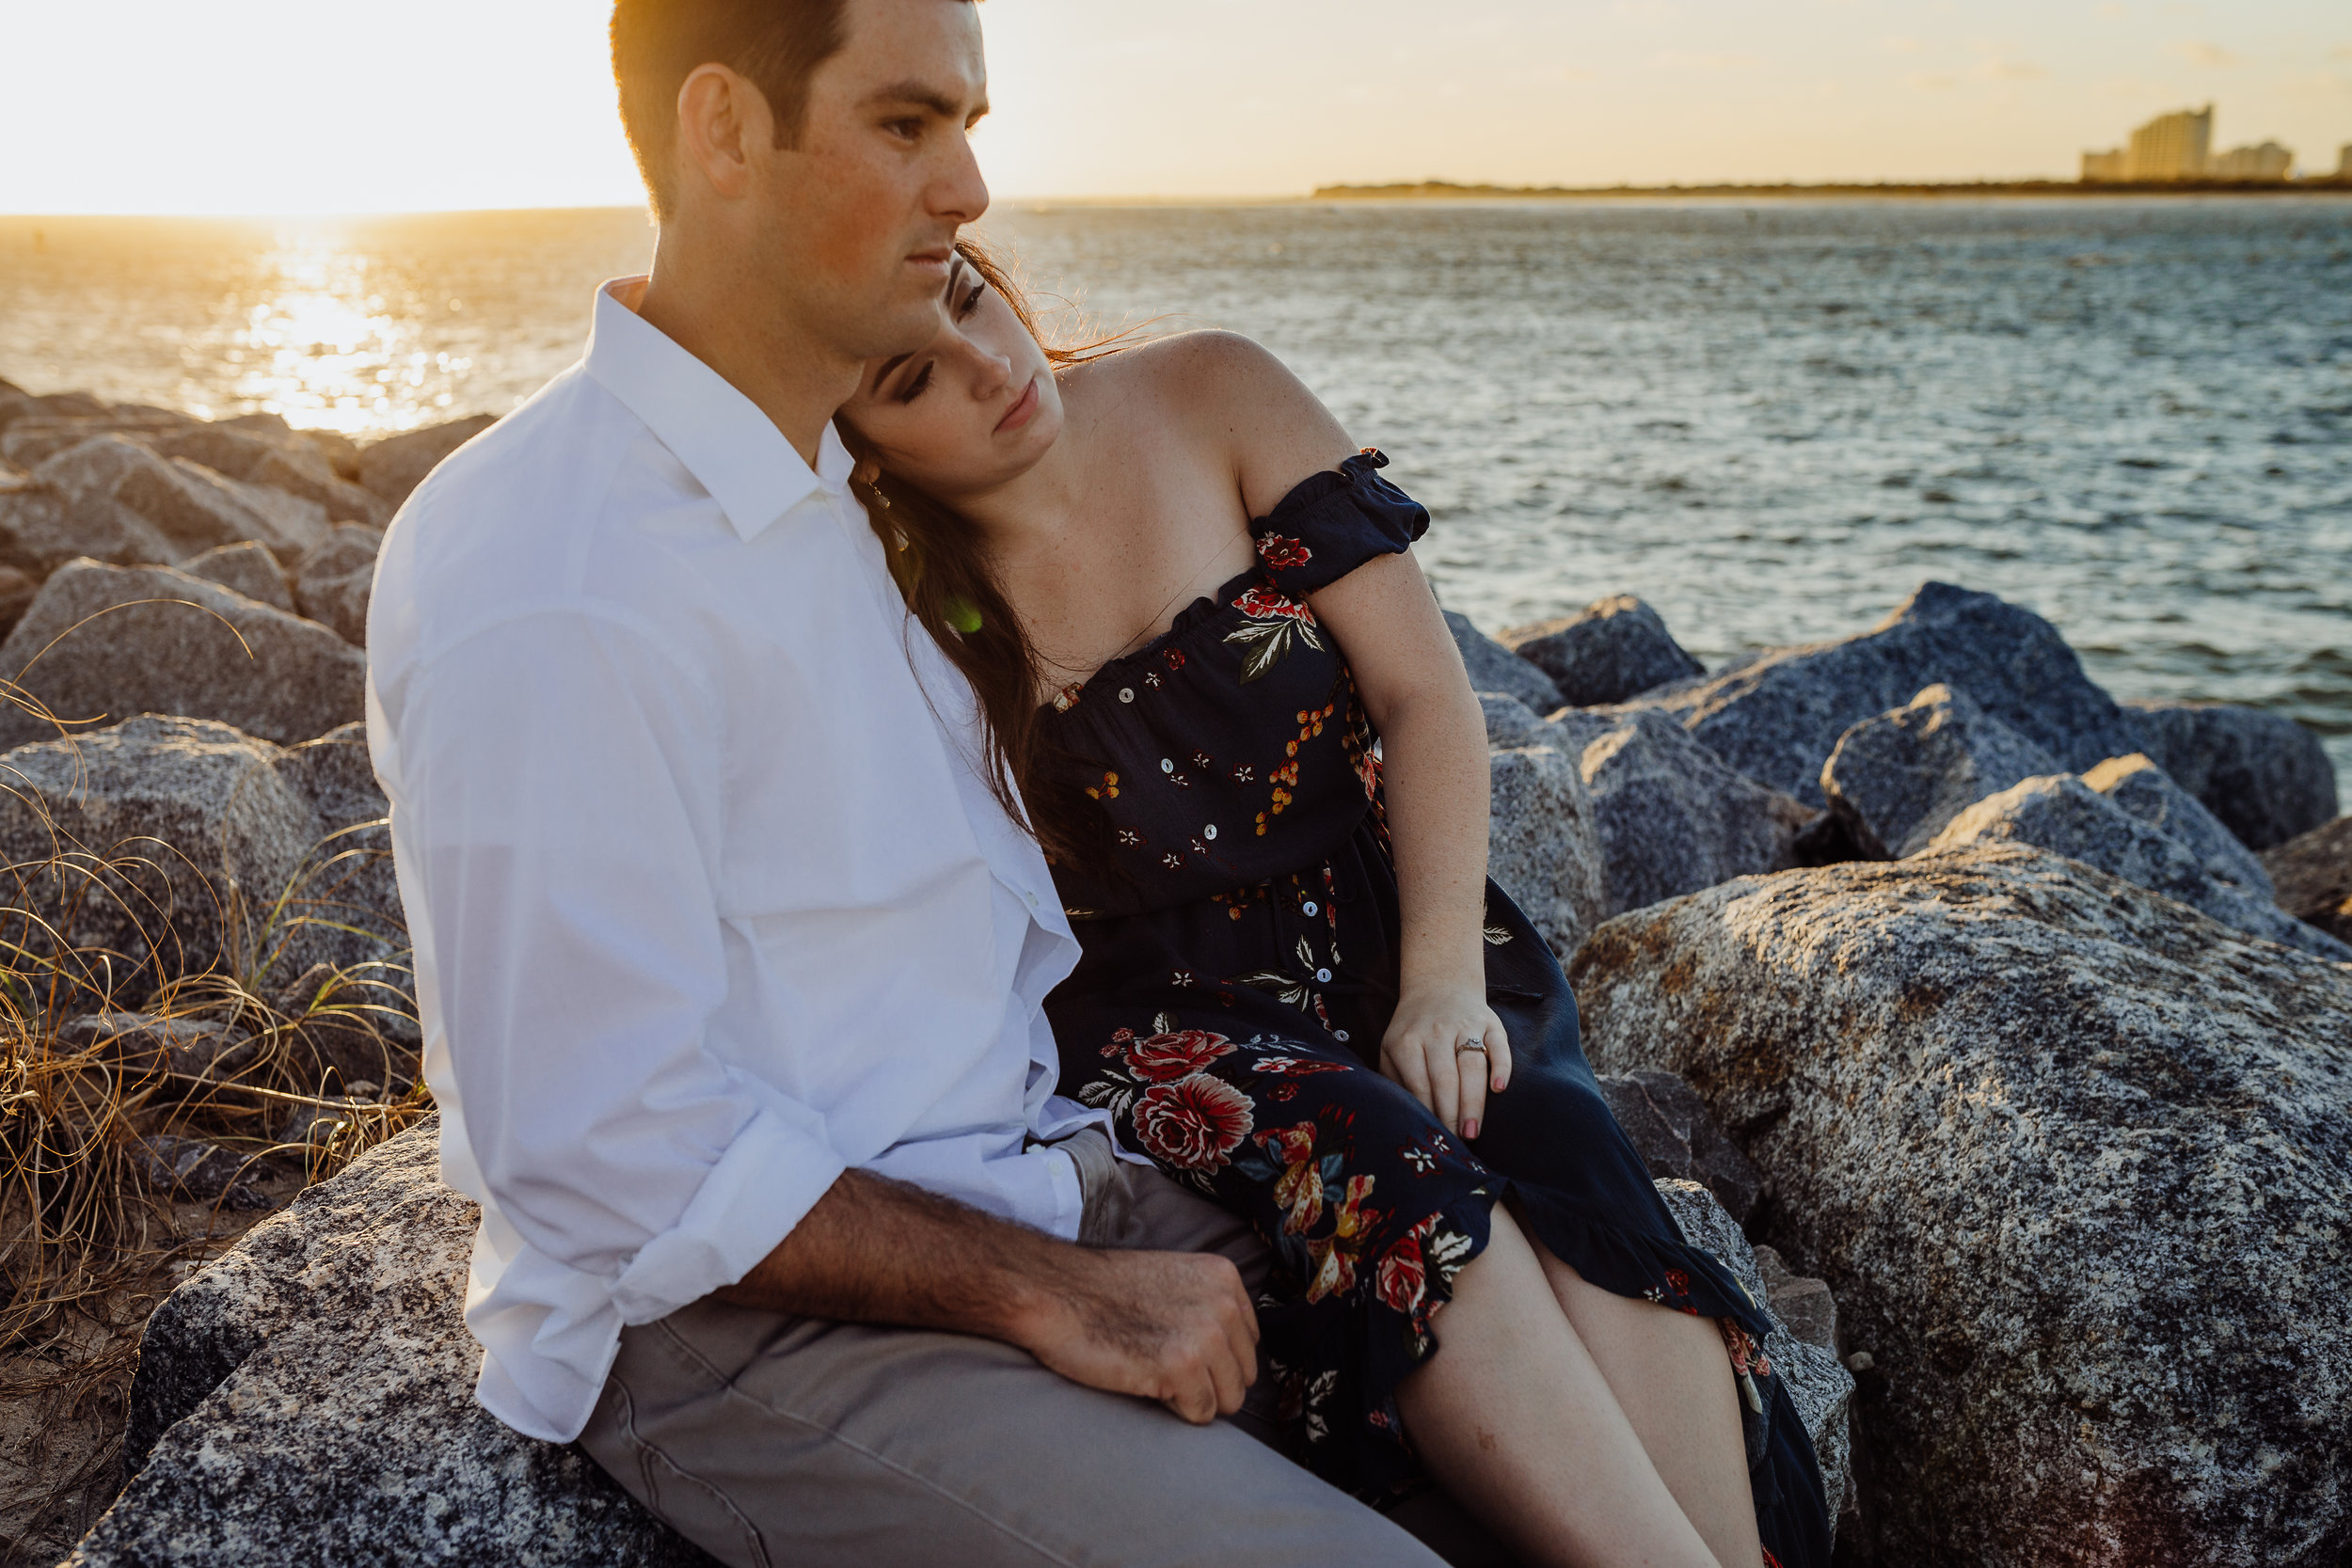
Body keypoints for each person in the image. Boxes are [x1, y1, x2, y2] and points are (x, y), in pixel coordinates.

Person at [367, 0, 1482, 1564]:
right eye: (906, 126)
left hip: (1023, 1172)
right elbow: (603, 1151)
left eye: (970, 127)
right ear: (724, 131)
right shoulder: (559, 571)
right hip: (755, 1323)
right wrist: (1058, 1291)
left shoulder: (828, 483)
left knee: (1502, 1288)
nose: (965, 192)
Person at [834, 243, 1836, 1567]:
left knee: (1561, 1157)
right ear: (863, 449)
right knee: (1391, 1171)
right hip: (1165, 1012)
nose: (989, 366)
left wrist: (1439, 977)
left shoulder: (1213, 389)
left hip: (1387, 917)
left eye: (970, 299)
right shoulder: (893, 598)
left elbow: (1428, 698)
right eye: (915, 382)